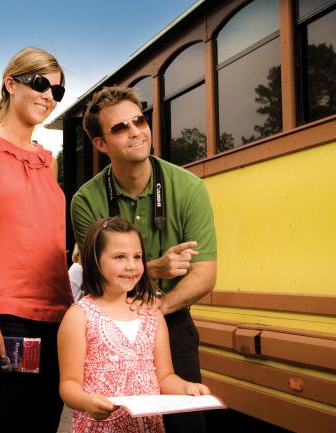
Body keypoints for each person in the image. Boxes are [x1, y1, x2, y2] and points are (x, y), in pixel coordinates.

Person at [71, 86, 217, 433]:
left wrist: (154, 311)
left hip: (170, 317)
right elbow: (97, 276)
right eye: (120, 127)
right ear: (100, 144)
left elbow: (205, 275)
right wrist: (155, 268)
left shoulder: (189, 188)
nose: (136, 131)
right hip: (105, 327)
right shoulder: (84, 201)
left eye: (139, 120)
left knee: (188, 424)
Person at [0, 47, 74, 432]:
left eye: (57, 91)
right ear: (11, 83)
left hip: (58, 315)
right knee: (7, 425)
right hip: (4, 318)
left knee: (45, 425)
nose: (49, 97)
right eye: (41, 84)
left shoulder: (48, 159)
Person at [58, 217, 211, 433]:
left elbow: (165, 377)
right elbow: (69, 384)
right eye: (120, 257)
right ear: (95, 259)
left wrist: (187, 388)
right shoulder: (79, 316)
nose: (131, 266)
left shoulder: (151, 313)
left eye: (137, 257)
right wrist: (87, 402)